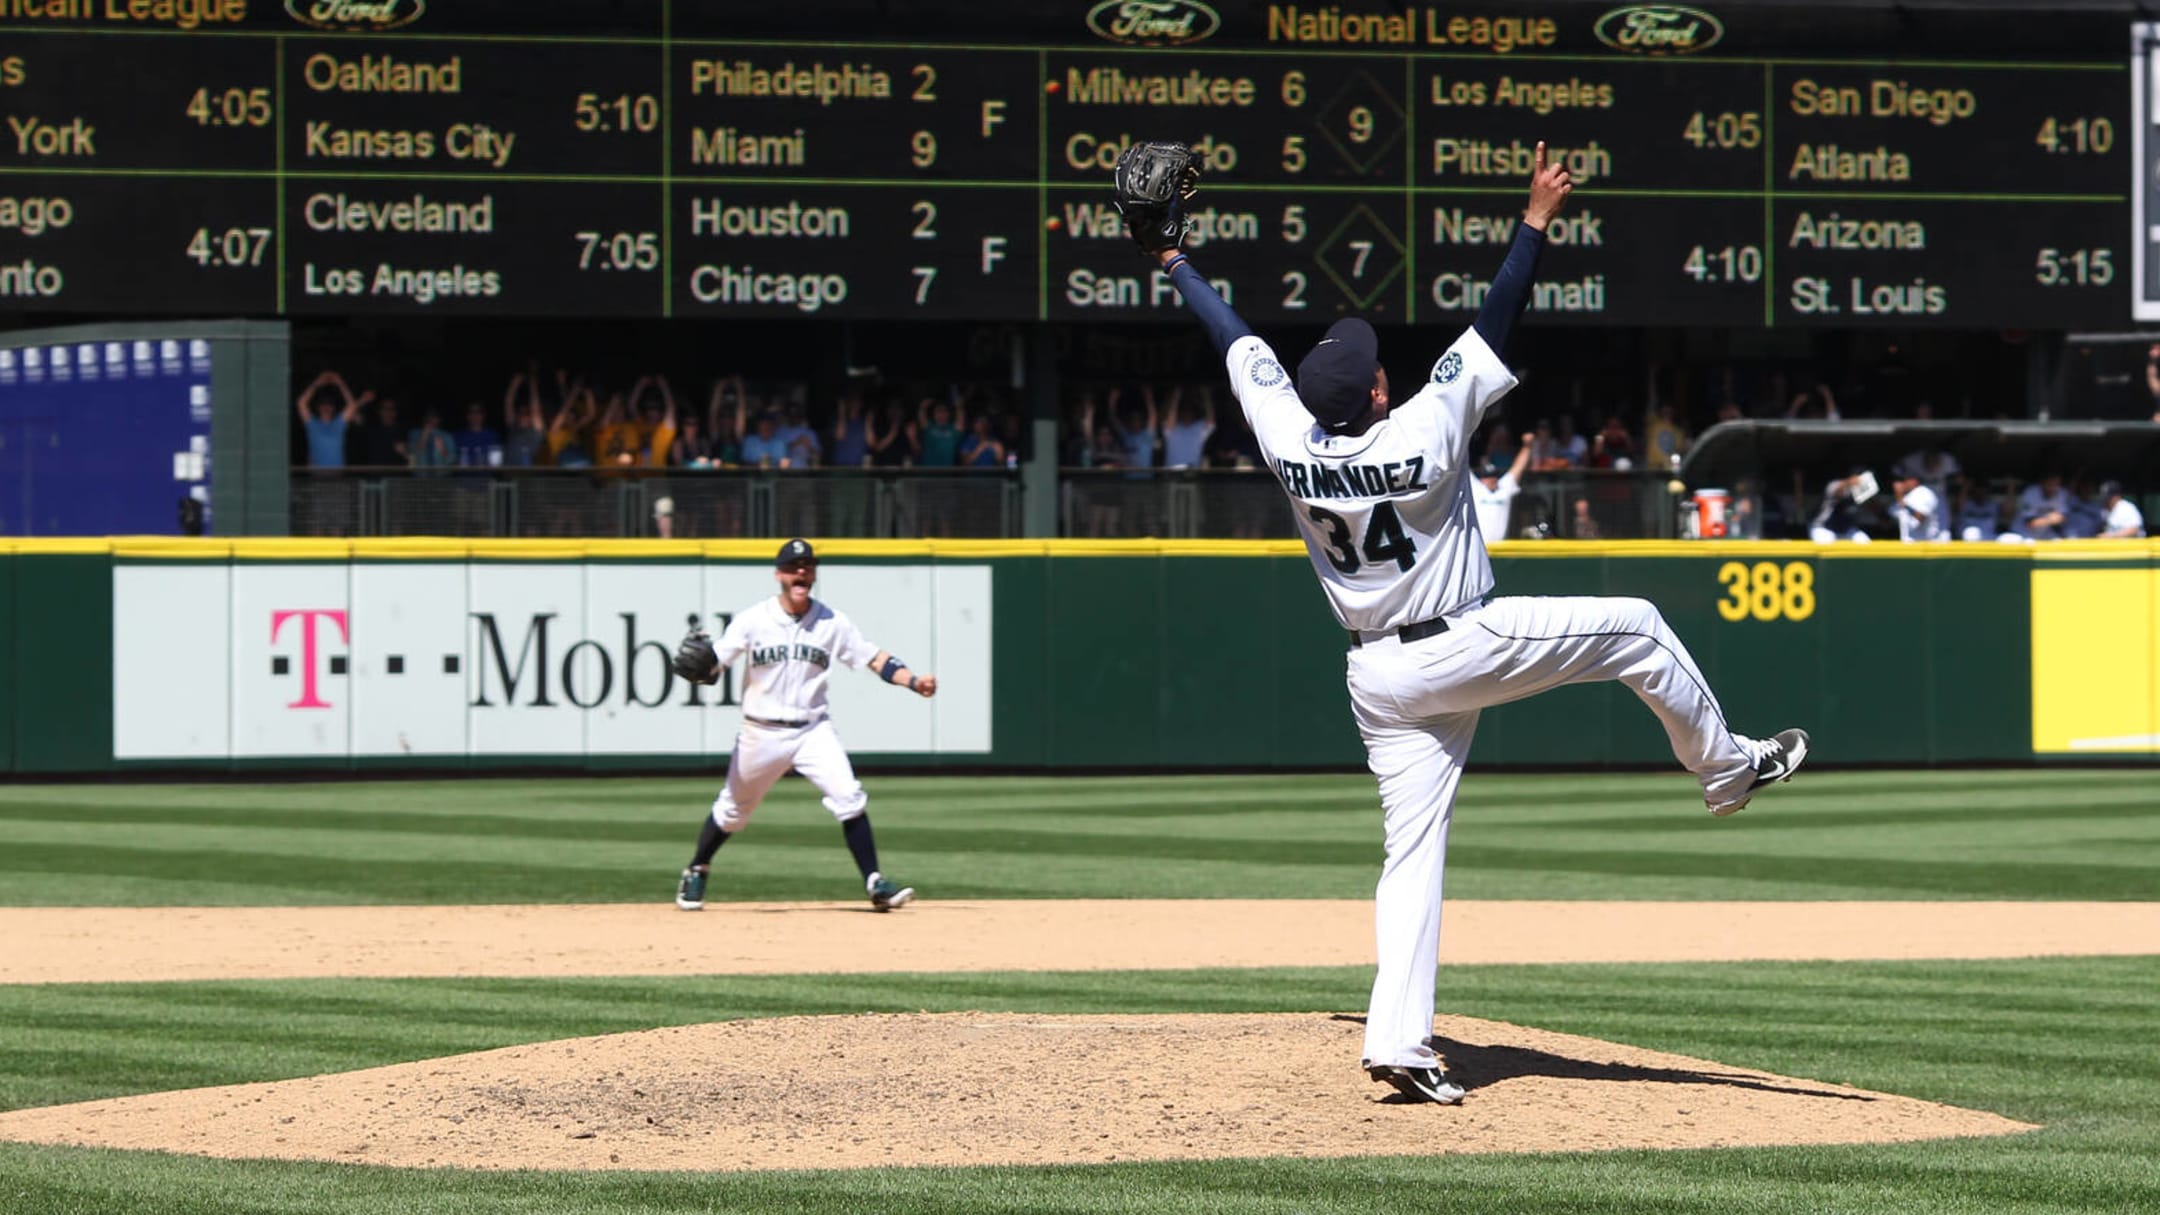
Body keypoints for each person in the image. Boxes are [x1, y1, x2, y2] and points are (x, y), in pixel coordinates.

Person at [1128, 139, 1807, 1105]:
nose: (1378, 373)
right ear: (1371, 394)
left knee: (1413, 854)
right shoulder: (1422, 430)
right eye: (1370, 371)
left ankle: (1398, 1038)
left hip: (1377, 678)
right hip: (1459, 640)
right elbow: (1497, 320)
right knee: (1643, 625)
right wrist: (1533, 220)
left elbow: (1235, 341)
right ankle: (1727, 769)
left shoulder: (1288, 438)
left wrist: (1172, 262)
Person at [669, 539, 937, 913]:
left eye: (808, 566)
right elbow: (714, 667)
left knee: (849, 797)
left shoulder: (831, 622)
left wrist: (912, 681)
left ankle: (875, 882)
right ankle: (698, 868)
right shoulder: (753, 619)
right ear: (779, 574)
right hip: (760, 732)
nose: (801, 572)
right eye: (794, 566)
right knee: (733, 811)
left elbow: (874, 658)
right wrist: (701, 671)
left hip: (812, 730)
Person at [295, 370, 369, 467]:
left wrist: (340, 383)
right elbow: (301, 403)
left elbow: (352, 406)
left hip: (338, 475)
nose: (326, 407)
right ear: (318, 407)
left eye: (329, 404)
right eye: (323, 404)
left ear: (333, 408)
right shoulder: (312, 423)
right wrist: (317, 383)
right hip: (316, 476)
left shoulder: (339, 423)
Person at [1472, 431, 1534, 546]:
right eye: (1487, 477)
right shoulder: (1476, 489)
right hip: (1478, 547)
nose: (1491, 479)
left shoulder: (1503, 488)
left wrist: (1527, 447)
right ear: (1481, 479)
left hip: (1500, 548)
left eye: (1494, 476)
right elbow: (1460, 464)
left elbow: (1518, 468)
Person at [1888, 469, 1943, 542]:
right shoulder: (1908, 495)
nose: (1901, 483)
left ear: (1914, 481)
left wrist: (1899, 496)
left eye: (1904, 480)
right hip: (1912, 545)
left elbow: (1915, 523)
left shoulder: (1924, 493)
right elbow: (1890, 515)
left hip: (1927, 545)